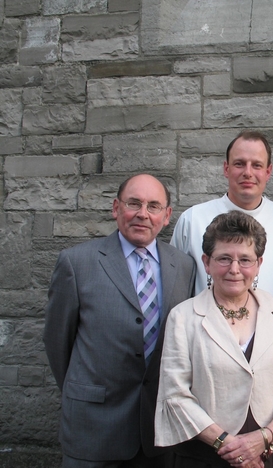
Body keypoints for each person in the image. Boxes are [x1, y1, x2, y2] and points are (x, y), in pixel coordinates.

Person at [44, 174, 197, 468]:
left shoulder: (183, 266)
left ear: (166, 217)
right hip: (94, 429)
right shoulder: (76, 263)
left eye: (153, 206)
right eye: (133, 203)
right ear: (116, 208)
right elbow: (57, 342)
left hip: (158, 432)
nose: (143, 214)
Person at [155, 210, 273, 468]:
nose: (235, 270)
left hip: (267, 455)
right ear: (206, 262)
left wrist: (266, 436)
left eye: (245, 260)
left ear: (259, 263)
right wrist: (229, 446)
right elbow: (175, 393)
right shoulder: (183, 317)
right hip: (204, 456)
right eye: (224, 258)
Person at [171, 131, 273, 299]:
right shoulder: (192, 220)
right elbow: (174, 288)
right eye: (239, 164)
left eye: (257, 165)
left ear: (268, 172)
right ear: (226, 169)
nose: (248, 172)